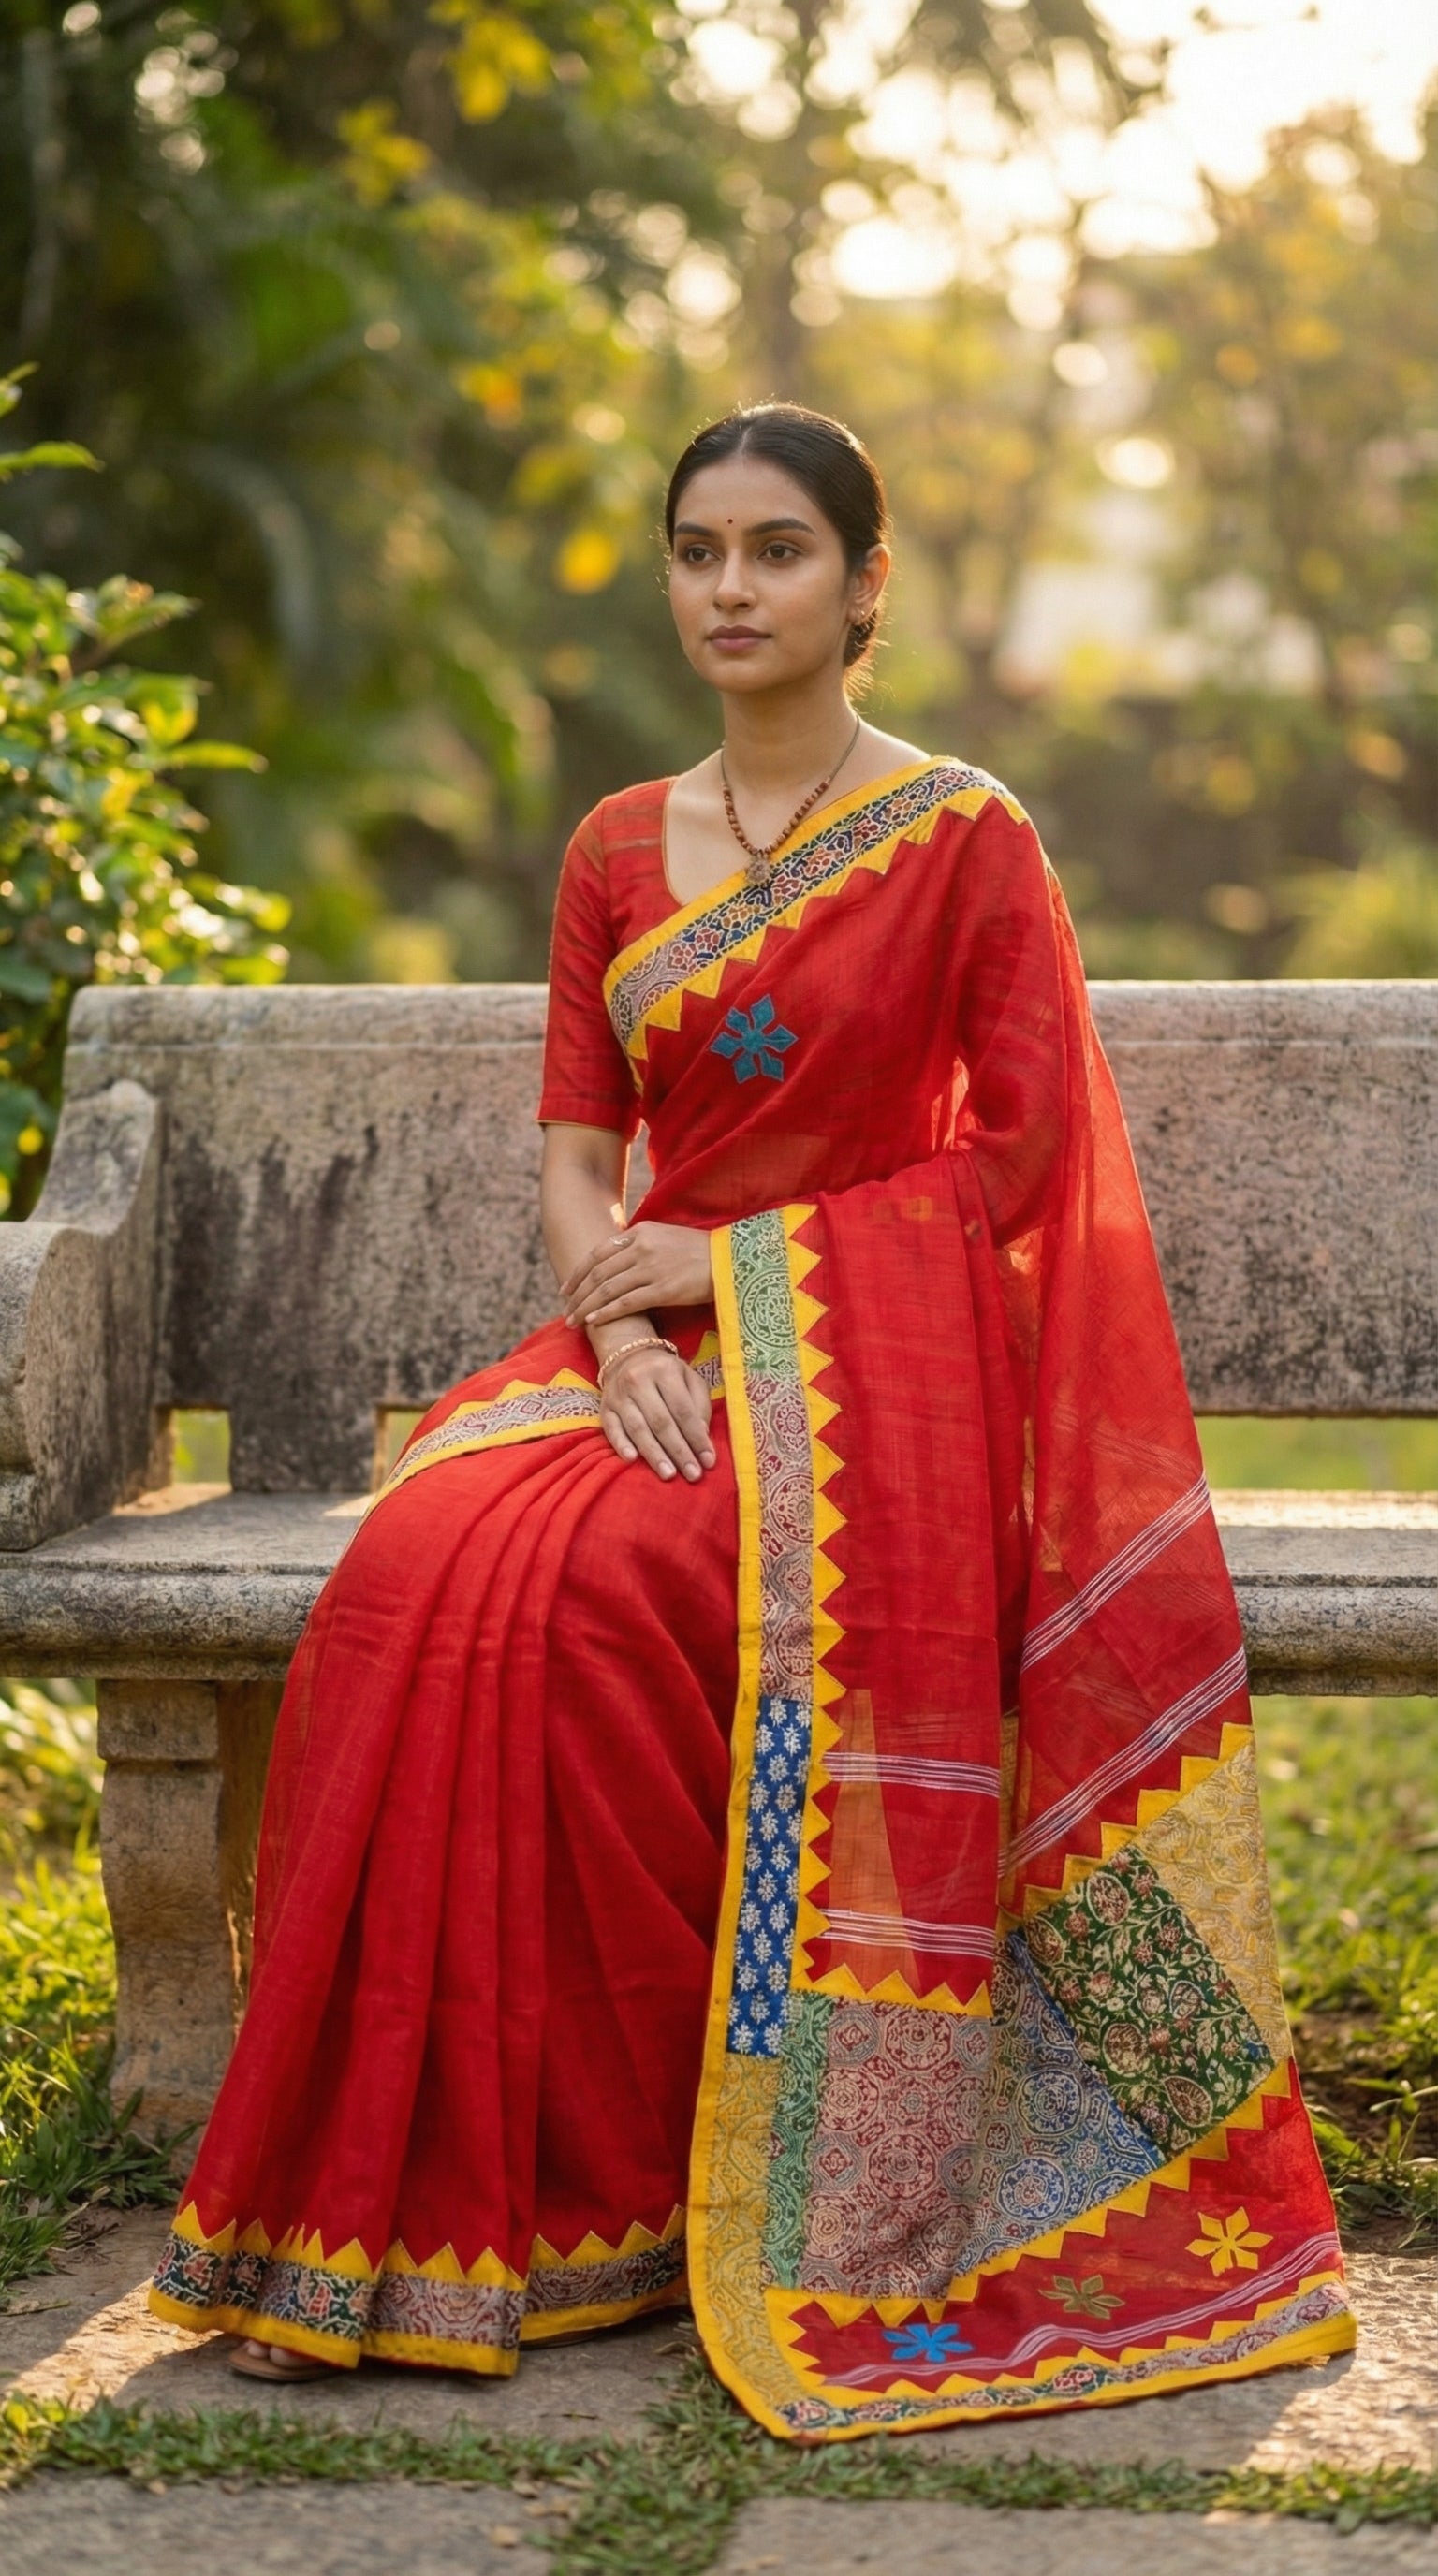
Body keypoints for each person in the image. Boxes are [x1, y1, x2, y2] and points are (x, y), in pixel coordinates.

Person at [149, 403, 1354, 2440]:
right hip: (640, 1353)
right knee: (414, 1571)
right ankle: (406, 2206)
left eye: (778, 549)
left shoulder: (965, 837)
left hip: (881, 1390)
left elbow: (1021, 1172)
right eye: (700, 547)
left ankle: (633, 2187)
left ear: (867, 586)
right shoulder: (619, 841)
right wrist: (619, 1332)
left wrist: (739, 1275)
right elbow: (573, 1149)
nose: (731, 586)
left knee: (606, 1599)